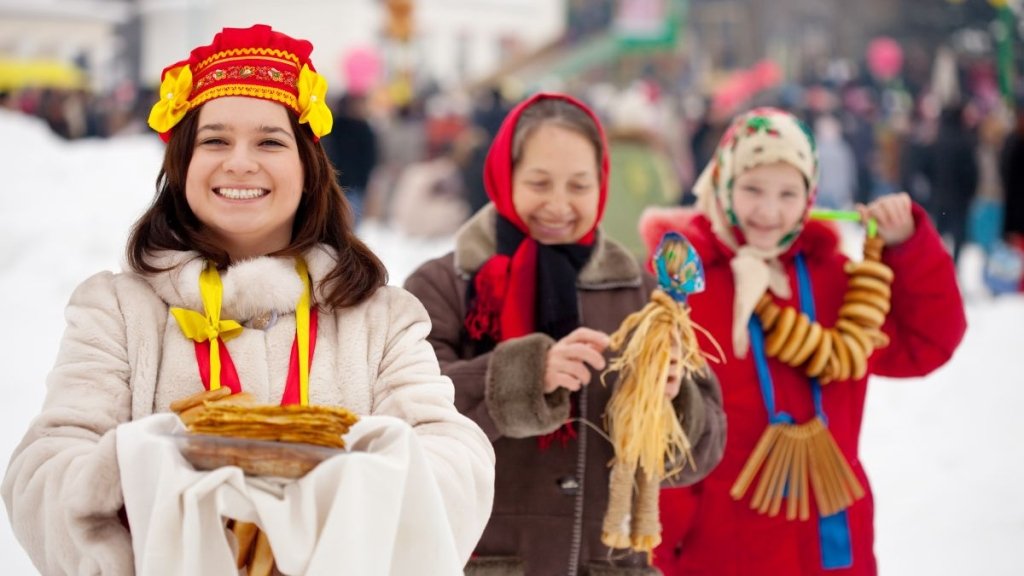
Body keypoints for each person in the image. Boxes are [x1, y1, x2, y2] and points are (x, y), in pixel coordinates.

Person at [1, 24, 494, 575]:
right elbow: (42, 468)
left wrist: (347, 503)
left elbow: (456, 458)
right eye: (214, 140)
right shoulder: (115, 310)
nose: (240, 162)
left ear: (308, 168)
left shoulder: (383, 318)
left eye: (269, 141)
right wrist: (146, 487)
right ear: (182, 163)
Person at [403, 92, 727, 576]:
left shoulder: (641, 293)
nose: (558, 204)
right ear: (503, 178)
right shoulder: (446, 285)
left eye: (579, 185)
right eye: (539, 182)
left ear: (602, 186)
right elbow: (406, 421)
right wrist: (526, 375)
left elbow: (700, 454)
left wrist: (672, 400)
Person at [639, 107, 967, 575]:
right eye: (752, 189)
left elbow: (926, 343)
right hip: (720, 545)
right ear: (723, 185)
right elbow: (663, 431)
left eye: (787, 193)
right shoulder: (687, 287)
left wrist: (909, 246)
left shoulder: (836, 280)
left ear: (810, 197)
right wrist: (660, 549)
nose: (769, 211)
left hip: (827, 537)